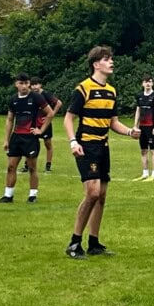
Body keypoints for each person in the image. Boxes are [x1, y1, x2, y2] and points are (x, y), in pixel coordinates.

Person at [61, 46, 140, 259]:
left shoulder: (111, 91)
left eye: (111, 58)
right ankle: (74, 244)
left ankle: (94, 243)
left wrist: (130, 132)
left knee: (102, 196)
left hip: (104, 147)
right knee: (92, 193)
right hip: (86, 146)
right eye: (107, 59)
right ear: (96, 64)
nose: (111, 62)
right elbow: (68, 118)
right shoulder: (83, 89)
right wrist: (72, 142)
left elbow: (113, 123)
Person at [0, 73, 53, 203]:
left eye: (26, 83)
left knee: (31, 167)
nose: (24, 86)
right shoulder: (13, 99)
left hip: (30, 138)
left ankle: (32, 195)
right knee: (11, 166)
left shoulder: (36, 97)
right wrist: (6, 139)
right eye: (21, 83)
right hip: (16, 137)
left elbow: (50, 113)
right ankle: (8, 195)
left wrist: (41, 129)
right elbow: (10, 119)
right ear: (16, 84)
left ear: (29, 83)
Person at [132, 74, 154, 182]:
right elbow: (138, 110)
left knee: (153, 150)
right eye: (146, 82)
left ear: (152, 83)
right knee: (143, 150)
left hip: (151, 127)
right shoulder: (139, 96)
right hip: (142, 128)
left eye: (150, 81)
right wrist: (135, 125)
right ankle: (145, 174)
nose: (148, 83)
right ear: (142, 84)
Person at [30, 78, 62, 173]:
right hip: (34, 124)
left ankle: (48, 166)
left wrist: (51, 115)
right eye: (33, 85)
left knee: (47, 144)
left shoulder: (45, 95)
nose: (34, 87)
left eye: (37, 84)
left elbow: (59, 103)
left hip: (45, 123)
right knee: (30, 144)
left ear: (41, 85)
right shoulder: (30, 95)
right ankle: (27, 165)